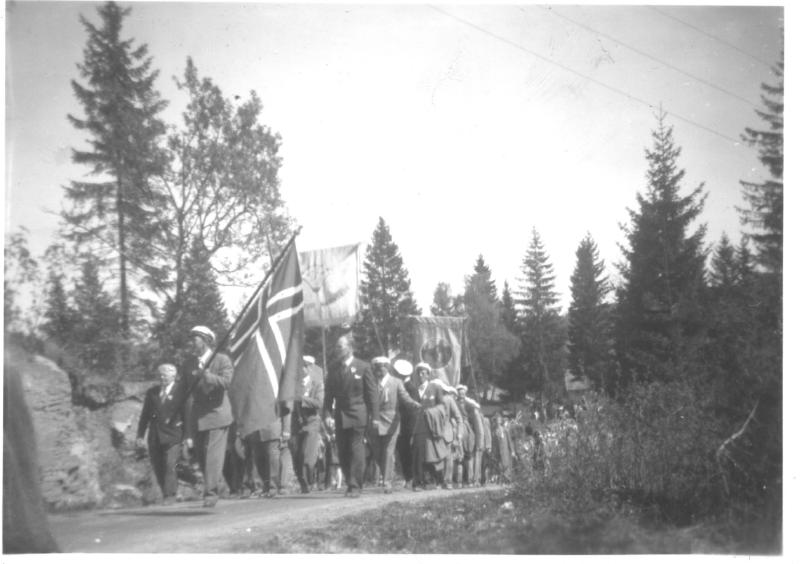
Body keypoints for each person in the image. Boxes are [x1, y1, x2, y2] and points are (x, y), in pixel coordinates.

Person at [180, 325, 233, 508]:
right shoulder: (188, 364)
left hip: (218, 415)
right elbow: (183, 391)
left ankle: (210, 493)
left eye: (195, 339)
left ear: (205, 340)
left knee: (212, 457)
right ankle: (217, 487)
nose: (192, 343)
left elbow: (227, 382)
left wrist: (208, 376)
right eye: (191, 339)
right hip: (198, 417)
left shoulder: (222, 360)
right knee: (202, 458)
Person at [323, 334, 379, 498]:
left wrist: (375, 417)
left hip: (357, 415)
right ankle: (350, 481)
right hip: (340, 415)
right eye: (336, 347)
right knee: (343, 452)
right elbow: (328, 395)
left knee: (356, 449)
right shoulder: (333, 368)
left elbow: (372, 394)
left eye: (340, 347)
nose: (337, 350)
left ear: (350, 348)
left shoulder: (363, 367)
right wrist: (327, 414)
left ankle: (355, 485)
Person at [136, 363, 186, 504]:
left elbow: (187, 414)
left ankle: (170, 494)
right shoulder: (152, 392)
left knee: (170, 464)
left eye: (165, 375)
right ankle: (166, 492)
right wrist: (140, 435)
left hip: (174, 435)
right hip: (155, 435)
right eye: (160, 375)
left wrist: (188, 436)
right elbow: (145, 415)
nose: (162, 377)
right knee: (158, 465)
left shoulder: (181, 391)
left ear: (173, 376)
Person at [369, 356, 420, 493]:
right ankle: (388, 474)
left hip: (392, 421)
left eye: (382, 367)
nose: (379, 370)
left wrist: (413, 404)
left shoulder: (396, 382)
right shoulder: (371, 382)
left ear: (387, 368)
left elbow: (404, 397)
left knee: (388, 451)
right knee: (378, 453)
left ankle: (387, 482)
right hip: (374, 421)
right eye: (376, 367)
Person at [410, 362, 451, 491]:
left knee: (433, 455)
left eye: (424, 373)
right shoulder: (413, 390)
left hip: (431, 427)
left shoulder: (435, 388)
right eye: (419, 373)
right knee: (418, 454)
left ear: (428, 375)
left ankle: (437, 480)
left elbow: (442, 407)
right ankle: (418, 482)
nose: (421, 375)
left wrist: (430, 412)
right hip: (417, 427)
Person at [292, 355, 325, 493]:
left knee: (308, 456)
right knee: (296, 455)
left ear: (310, 368)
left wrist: (302, 399)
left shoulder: (317, 384)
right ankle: (302, 482)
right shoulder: (293, 384)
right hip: (296, 423)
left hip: (311, 421)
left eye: (304, 366)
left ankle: (309, 481)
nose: (301, 369)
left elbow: (319, 403)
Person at [395, 358, 420, 489]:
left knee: (408, 452)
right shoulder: (404, 386)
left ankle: (411, 478)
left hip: (408, 425)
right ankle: (407, 477)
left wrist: (412, 429)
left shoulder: (411, 388)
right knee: (402, 452)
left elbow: (413, 410)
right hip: (401, 425)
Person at [454, 384, 482, 488]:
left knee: (468, 455)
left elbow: (474, 415)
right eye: (460, 393)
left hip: (466, 427)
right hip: (457, 425)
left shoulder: (469, 405)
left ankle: (469, 480)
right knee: (458, 457)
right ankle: (458, 481)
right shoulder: (454, 403)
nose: (461, 395)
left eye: (463, 393)